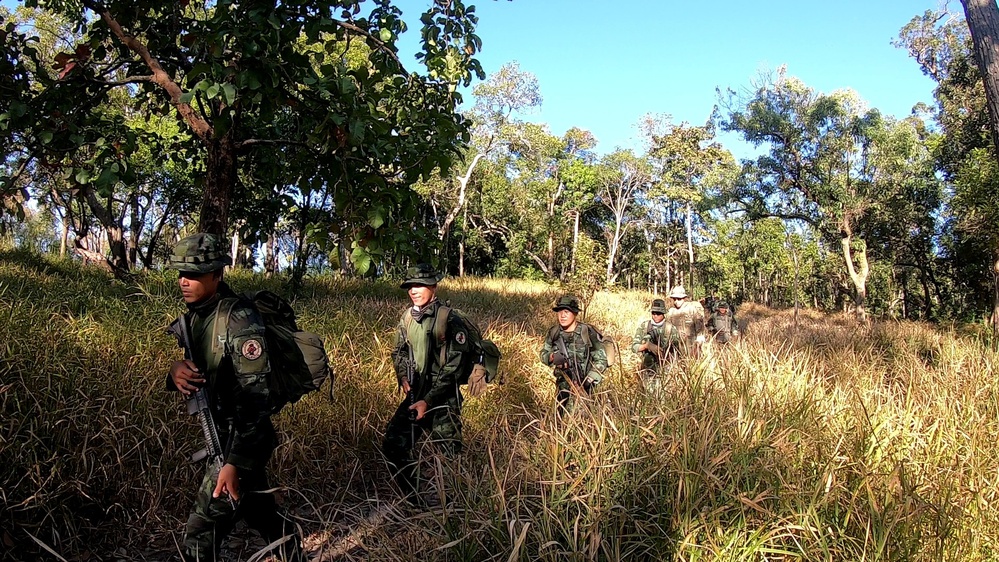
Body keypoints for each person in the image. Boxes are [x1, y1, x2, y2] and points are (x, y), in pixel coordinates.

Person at [165, 233, 304, 562]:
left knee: (200, 534)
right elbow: (204, 372)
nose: (185, 282)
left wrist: (232, 463)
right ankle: (293, 552)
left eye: (195, 274)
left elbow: (256, 399)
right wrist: (175, 371)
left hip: (242, 439)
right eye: (181, 274)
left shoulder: (239, 320)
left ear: (217, 275)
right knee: (259, 512)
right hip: (228, 435)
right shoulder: (198, 315)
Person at [382, 263, 469, 504]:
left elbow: (454, 366)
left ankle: (459, 510)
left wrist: (428, 401)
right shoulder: (407, 318)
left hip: (442, 398)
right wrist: (403, 376)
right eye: (410, 286)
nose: (413, 290)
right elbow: (398, 351)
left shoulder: (449, 320)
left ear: (434, 286)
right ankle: (418, 499)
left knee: (450, 456)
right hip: (415, 393)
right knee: (393, 443)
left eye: (419, 285)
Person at [539, 295, 608, 415]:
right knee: (558, 421)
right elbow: (543, 353)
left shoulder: (587, 332)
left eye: (566, 311)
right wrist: (552, 357)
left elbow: (601, 359)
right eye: (559, 311)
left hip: (585, 386)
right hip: (562, 386)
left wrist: (588, 380)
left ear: (575, 313)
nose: (562, 315)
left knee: (581, 422)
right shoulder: (554, 332)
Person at [631, 298, 681, 381]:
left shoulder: (671, 329)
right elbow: (634, 347)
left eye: (658, 313)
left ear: (664, 313)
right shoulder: (644, 326)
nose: (655, 315)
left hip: (665, 371)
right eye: (653, 313)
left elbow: (676, 352)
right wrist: (646, 346)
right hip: (647, 370)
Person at [665, 285, 706, 357]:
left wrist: (698, 345)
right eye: (674, 299)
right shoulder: (671, 312)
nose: (676, 301)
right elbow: (667, 331)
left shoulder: (692, 309)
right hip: (676, 347)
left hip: (692, 346)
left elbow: (700, 329)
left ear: (684, 298)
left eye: (679, 299)